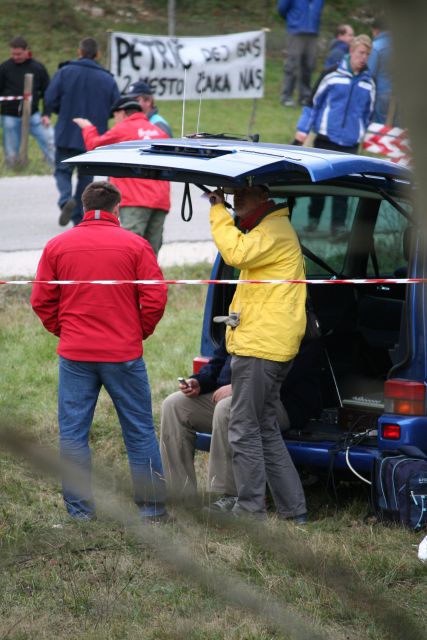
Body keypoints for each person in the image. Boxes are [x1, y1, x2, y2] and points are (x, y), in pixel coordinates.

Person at [30, 181, 168, 523]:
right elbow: (155, 297)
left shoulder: (57, 245)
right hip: (123, 352)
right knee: (139, 430)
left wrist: (64, 331)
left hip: (76, 354)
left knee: (73, 435)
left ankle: (79, 514)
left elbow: (41, 299)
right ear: (117, 209)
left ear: (83, 205)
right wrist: (139, 332)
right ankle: (152, 510)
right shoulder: (136, 245)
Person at [207, 185, 308, 521]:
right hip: (266, 343)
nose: (237, 200)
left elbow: (236, 254)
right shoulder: (269, 229)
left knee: (243, 426)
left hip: (262, 346)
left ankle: (249, 509)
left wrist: (218, 210)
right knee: (263, 427)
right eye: (234, 195)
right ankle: (294, 511)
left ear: (265, 197)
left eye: (244, 195)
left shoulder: (274, 230)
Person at [160, 336, 322, 514]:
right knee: (174, 405)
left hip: (278, 403)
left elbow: (288, 373)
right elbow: (220, 360)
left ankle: (229, 496)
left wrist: (239, 387)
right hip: (234, 393)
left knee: (227, 409)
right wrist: (199, 381)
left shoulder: (288, 319)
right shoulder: (241, 314)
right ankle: (181, 496)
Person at [294, 34, 375, 235]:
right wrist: (303, 130)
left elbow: (368, 114)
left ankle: (337, 228)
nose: (363, 57)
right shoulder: (331, 75)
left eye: (367, 54)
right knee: (320, 184)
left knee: (344, 189)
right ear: (351, 52)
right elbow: (312, 104)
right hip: (325, 138)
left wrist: (361, 133)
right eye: (360, 53)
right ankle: (313, 222)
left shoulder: (369, 83)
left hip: (350, 143)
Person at [73, 96, 170, 256]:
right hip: (161, 200)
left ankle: (128, 281)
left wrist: (88, 127)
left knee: (130, 250)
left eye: (115, 116)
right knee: (151, 254)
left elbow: (94, 146)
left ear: (123, 113)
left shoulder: (124, 128)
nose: (115, 121)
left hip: (136, 199)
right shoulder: (158, 131)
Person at [44, 37, 120, 227]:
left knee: (62, 170)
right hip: (93, 138)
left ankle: (65, 200)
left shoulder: (64, 72)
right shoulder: (107, 79)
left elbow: (50, 98)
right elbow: (116, 106)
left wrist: (61, 111)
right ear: (98, 54)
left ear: (79, 52)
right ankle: (79, 216)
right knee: (86, 178)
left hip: (66, 132)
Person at [0, 36, 54, 167]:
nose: (16, 57)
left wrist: (46, 114)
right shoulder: (4, 68)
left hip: (34, 115)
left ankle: (56, 167)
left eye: (18, 54)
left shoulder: (38, 68)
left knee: (49, 139)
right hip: (10, 116)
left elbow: (48, 92)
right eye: (13, 54)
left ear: (26, 51)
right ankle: (14, 170)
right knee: (11, 150)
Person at [277, 0, 325, 107]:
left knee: (309, 65)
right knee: (292, 65)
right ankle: (286, 96)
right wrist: (293, 19)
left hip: (312, 31)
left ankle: (305, 96)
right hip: (296, 31)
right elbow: (282, 9)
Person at [369, 16, 393, 124]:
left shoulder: (376, 46)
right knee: (395, 131)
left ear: (376, 30)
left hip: (381, 93)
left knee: (379, 130)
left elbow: (370, 73)